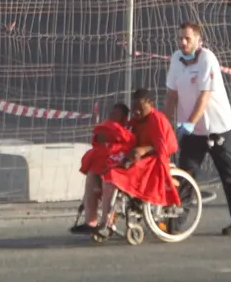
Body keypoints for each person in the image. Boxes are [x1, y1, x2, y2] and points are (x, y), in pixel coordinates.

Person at [165, 22, 231, 236]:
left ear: (198, 40)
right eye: (180, 39)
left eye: (188, 39)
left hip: (217, 127)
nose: (183, 43)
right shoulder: (176, 59)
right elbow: (171, 95)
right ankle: (175, 223)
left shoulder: (207, 59)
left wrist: (190, 122)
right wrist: (165, 124)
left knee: (229, 173)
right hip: (193, 132)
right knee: (185, 174)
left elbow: (204, 96)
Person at [98, 89, 181, 232]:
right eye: (134, 108)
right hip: (141, 159)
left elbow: (163, 147)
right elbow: (126, 136)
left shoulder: (158, 120)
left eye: (141, 108)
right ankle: (104, 218)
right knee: (106, 169)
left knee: (114, 176)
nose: (136, 112)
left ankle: (106, 221)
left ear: (151, 105)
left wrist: (144, 150)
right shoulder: (136, 120)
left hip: (155, 159)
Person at [72, 103, 134, 234]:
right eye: (112, 113)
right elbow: (97, 138)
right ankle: (90, 221)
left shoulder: (127, 132)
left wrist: (113, 137)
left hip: (119, 167)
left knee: (108, 182)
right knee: (91, 177)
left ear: (123, 118)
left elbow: (129, 144)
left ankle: (107, 221)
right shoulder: (105, 127)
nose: (113, 116)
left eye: (116, 114)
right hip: (103, 162)